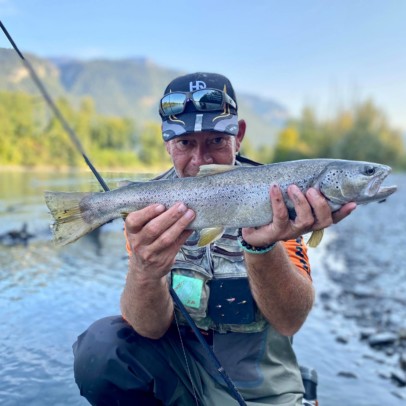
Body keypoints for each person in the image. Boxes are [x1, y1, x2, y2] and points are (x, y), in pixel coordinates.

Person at [73, 72, 356, 405]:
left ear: (239, 135)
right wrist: (144, 270)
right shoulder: (151, 206)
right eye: (185, 143)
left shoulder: (279, 195)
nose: (200, 160)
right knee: (101, 349)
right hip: (180, 376)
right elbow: (147, 328)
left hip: (261, 389)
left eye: (216, 141)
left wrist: (262, 248)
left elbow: (290, 321)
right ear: (167, 144)